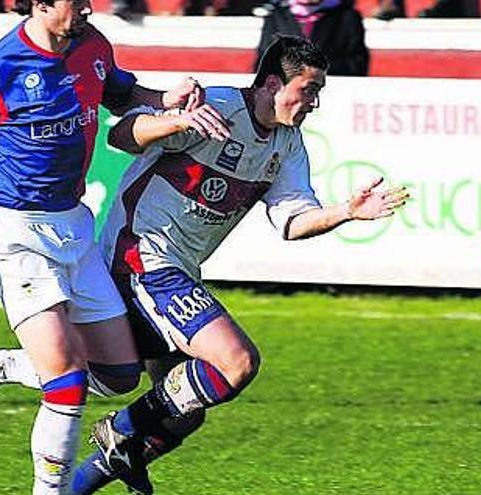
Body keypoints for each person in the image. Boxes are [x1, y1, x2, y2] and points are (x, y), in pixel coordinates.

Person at [68, 35, 409, 494]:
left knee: (184, 415)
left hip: (178, 270)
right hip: (141, 256)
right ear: (272, 83)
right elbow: (121, 134)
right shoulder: (218, 106)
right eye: (308, 90)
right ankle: (120, 428)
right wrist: (174, 123)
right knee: (236, 361)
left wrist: (347, 211)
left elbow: (292, 221)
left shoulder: (286, 144)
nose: (314, 103)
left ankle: (69, 476)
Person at [0, 0, 229, 491]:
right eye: (76, 0)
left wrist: (168, 100)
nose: (88, 7)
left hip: (74, 228)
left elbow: (123, 94)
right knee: (67, 383)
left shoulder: (91, 46)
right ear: (41, 4)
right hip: (17, 234)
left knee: (118, 374)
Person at [255, 0, 368, 77]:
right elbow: (263, 62)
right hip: (285, 94)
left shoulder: (346, 16)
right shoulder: (276, 17)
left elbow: (357, 64)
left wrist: (317, 69)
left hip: (331, 93)